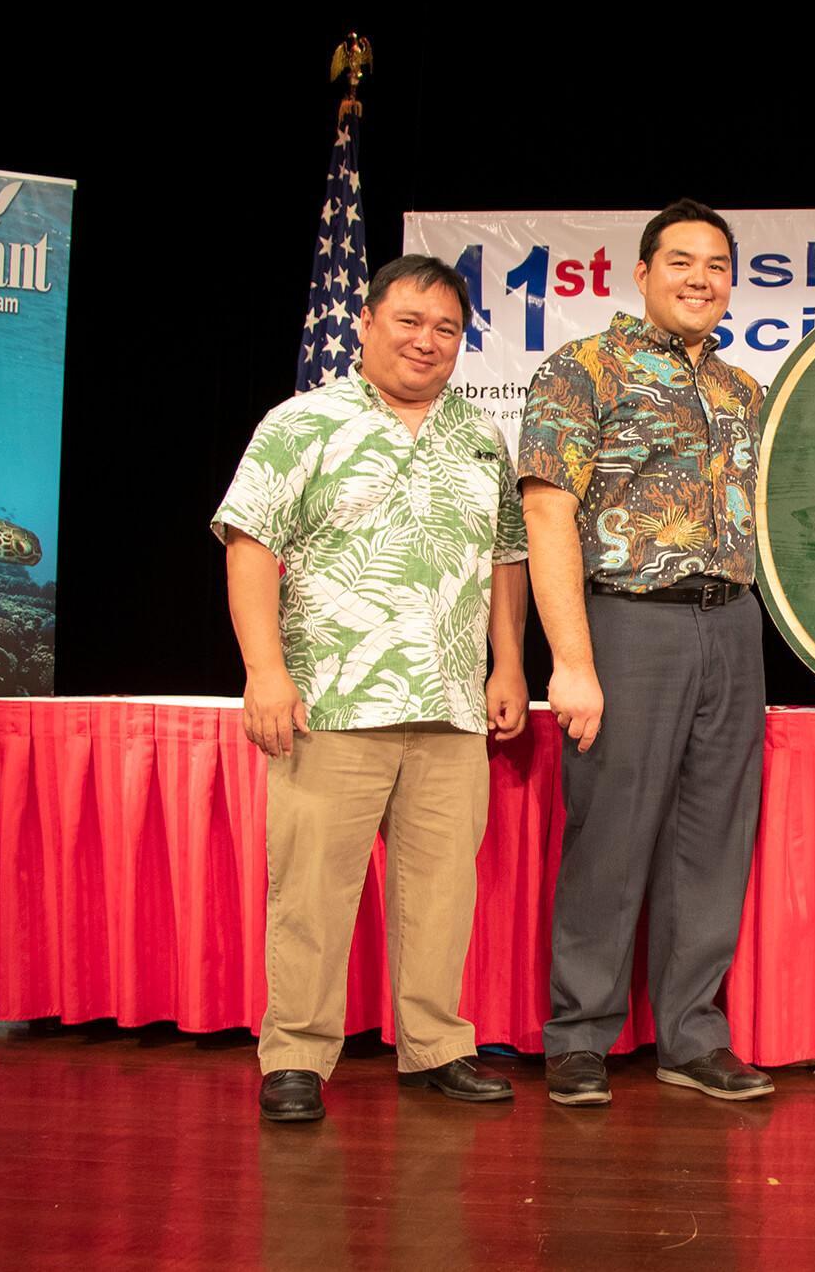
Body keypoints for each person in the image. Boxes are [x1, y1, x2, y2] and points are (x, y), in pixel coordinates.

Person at [518, 197, 815, 1107]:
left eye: (717, 267)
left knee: (713, 835)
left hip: (733, 623)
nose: (701, 280)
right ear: (644, 271)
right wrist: (572, 661)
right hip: (627, 621)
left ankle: (692, 1035)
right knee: (611, 833)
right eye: (682, 263)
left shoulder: (743, 390)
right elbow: (546, 513)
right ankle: (580, 1034)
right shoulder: (582, 371)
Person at [214, 255, 531, 1123]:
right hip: (333, 702)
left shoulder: (480, 435)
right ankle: (295, 1058)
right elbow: (249, 547)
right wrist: (265, 671)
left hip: (453, 706)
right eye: (409, 322)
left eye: (446, 330)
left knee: (441, 892)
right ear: (366, 321)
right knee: (311, 888)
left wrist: (509, 662)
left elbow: (508, 558)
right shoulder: (300, 423)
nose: (426, 342)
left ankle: (435, 1047)